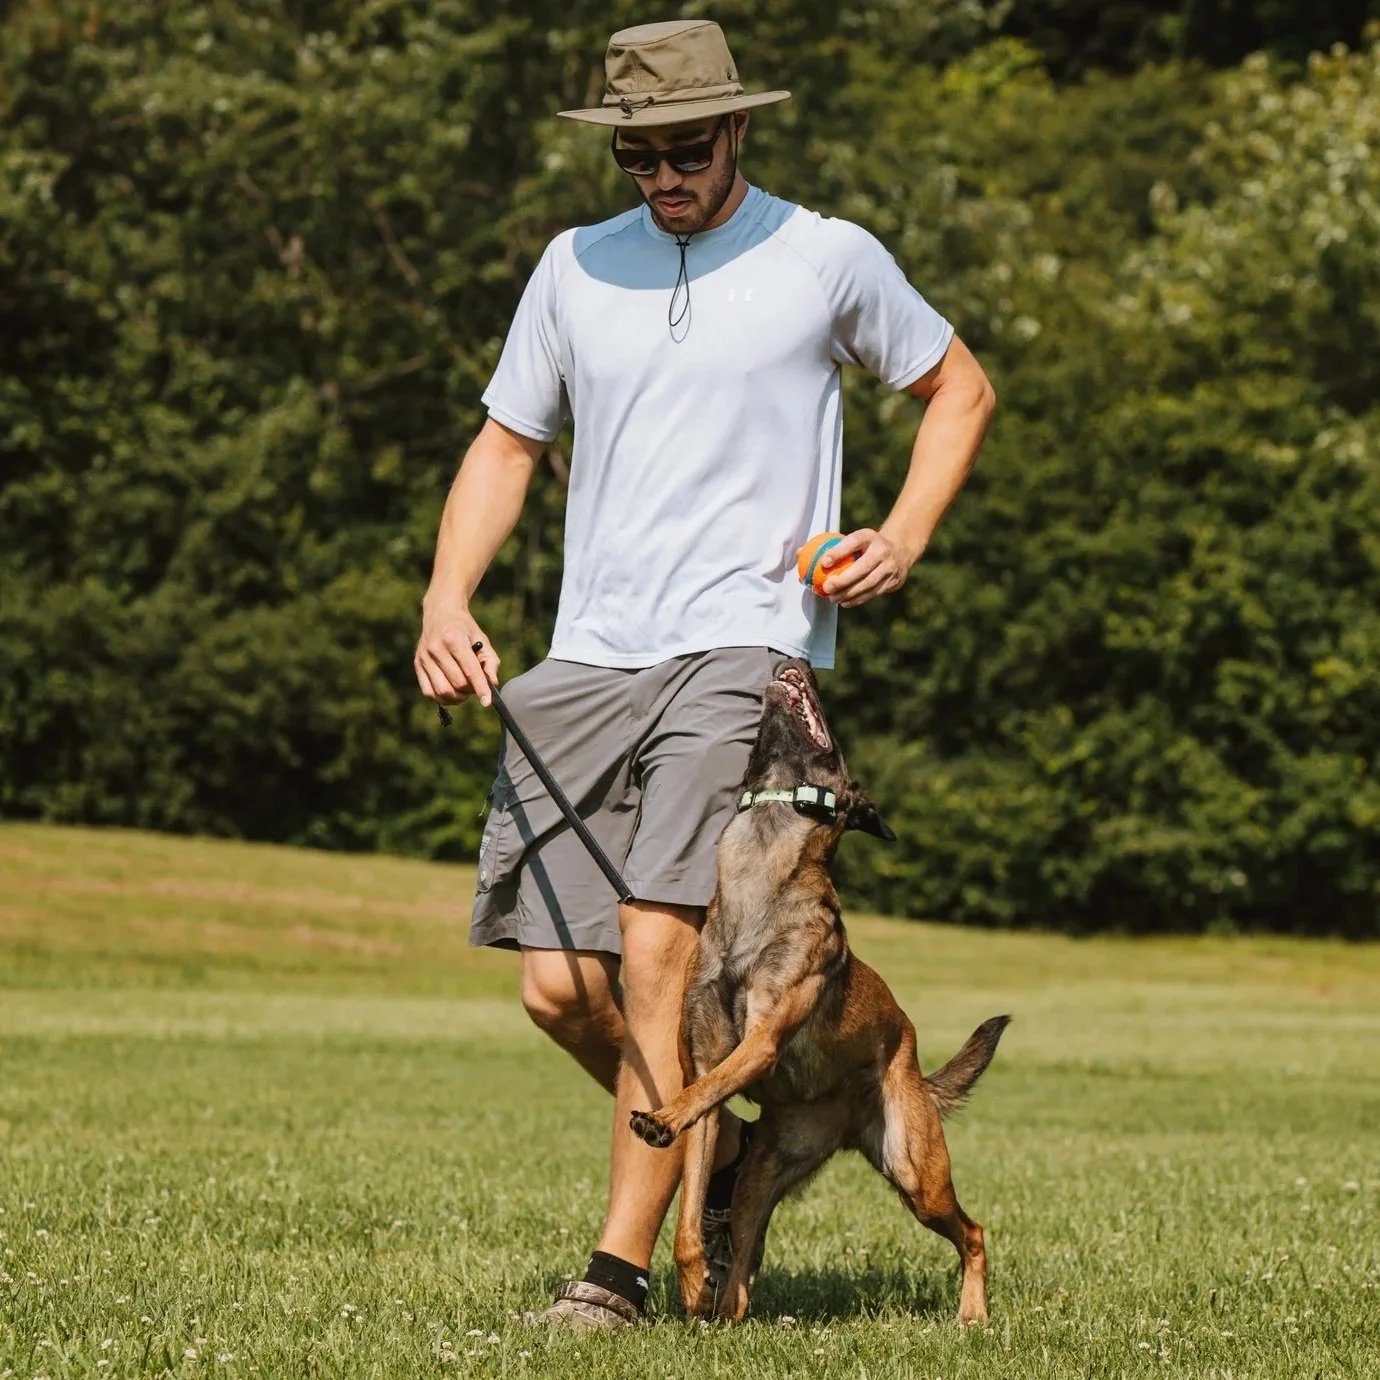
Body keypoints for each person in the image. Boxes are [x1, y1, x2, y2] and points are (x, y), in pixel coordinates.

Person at [413, 18, 996, 1329]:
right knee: (558, 984)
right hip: (586, 657)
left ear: (738, 129)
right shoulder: (575, 269)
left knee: (659, 942)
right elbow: (506, 445)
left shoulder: (826, 257)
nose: (664, 179)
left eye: (686, 150)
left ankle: (617, 1275)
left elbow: (960, 389)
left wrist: (899, 538)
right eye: (639, 158)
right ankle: (718, 1149)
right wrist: (447, 594)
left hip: (744, 644)